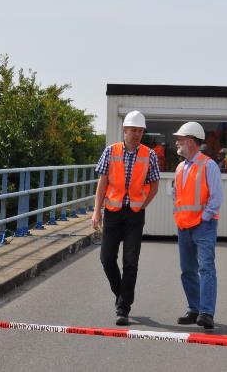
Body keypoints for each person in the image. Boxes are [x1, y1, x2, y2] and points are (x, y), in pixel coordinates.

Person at [91, 110, 160, 326]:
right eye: (134, 130)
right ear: (125, 130)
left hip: (135, 215)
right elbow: (102, 183)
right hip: (112, 212)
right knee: (106, 259)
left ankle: (123, 307)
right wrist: (96, 211)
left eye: (140, 131)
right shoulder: (111, 151)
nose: (137, 134)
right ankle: (120, 292)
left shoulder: (149, 155)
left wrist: (142, 205)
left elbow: (155, 185)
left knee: (131, 262)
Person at [172, 121, 223, 330]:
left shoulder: (208, 165)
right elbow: (177, 195)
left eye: (181, 140)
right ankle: (194, 309)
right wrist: (179, 217)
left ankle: (206, 313)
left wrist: (204, 218)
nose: (177, 143)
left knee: (206, 268)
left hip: (203, 226)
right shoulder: (180, 167)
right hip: (184, 226)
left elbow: (216, 197)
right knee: (187, 270)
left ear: (191, 142)